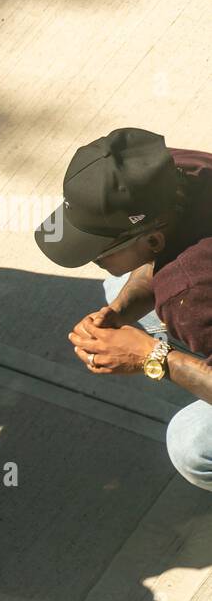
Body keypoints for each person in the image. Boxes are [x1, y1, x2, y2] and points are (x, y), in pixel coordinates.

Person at [33, 127, 212, 489]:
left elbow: (181, 278)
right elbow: (166, 254)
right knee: (117, 285)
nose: (92, 260)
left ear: (154, 238)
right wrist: (121, 309)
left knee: (192, 445)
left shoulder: (190, 293)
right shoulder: (177, 170)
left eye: (98, 253)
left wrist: (153, 357)